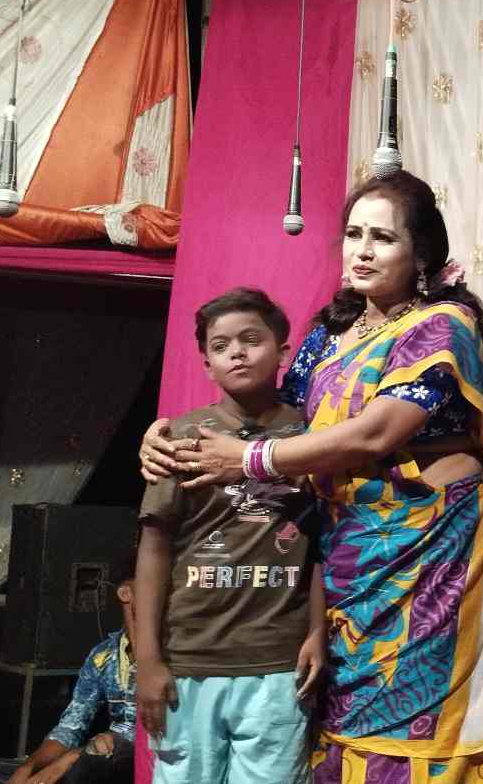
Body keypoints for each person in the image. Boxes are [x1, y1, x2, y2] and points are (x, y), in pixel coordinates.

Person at [141, 170, 483, 783]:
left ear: (422, 256)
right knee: (343, 721)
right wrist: (167, 434)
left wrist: (247, 460)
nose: (363, 250)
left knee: (418, 723)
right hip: (346, 554)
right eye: (354, 234)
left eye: (383, 237)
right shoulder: (330, 333)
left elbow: (378, 433)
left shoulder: (442, 325)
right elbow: (280, 419)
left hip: (431, 553)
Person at [132, 287, 325, 784]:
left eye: (251, 340)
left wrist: (317, 631)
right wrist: (148, 660)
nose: (237, 353)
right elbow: (154, 550)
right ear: (207, 365)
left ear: (283, 352)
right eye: (221, 346)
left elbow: (324, 545)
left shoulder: (311, 439)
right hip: (190, 658)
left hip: (278, 662)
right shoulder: (179, 439)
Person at [7, 557, 140, 784]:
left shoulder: (178, 653)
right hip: (112, 761)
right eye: (155, 583)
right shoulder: (103, 656)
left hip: (156, 764)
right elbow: (70, 728)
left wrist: (75, 756)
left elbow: (176, 735)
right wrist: (28, 767)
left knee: (96, 755)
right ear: (125, 593)